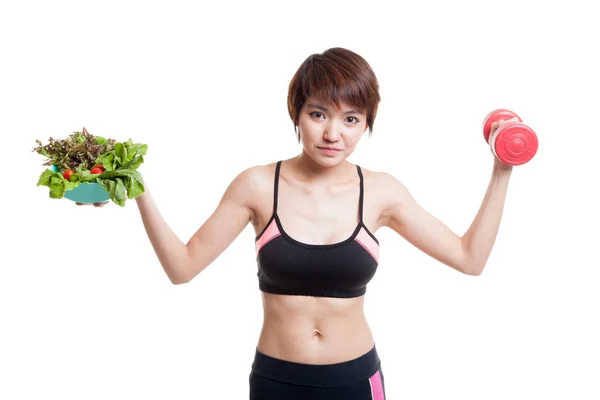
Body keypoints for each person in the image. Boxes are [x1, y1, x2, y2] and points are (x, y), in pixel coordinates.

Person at [82, 47, 515, 399]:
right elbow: (183, 267)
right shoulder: (256, 185)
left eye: (351, 120)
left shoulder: (381, 192)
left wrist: (502, 169)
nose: (333, 134)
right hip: (277, 382)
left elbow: (468, 258)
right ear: (296, 114)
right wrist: (136, 189)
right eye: (318, 114)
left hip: (355, 382)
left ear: (366, 124)